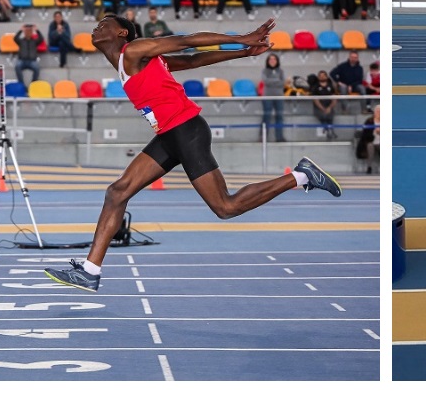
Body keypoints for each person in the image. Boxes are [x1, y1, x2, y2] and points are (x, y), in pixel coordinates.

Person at [43, 15, 342, 292]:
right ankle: (90, 271)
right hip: (170, 135)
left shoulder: (133, 50)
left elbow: (186, 42)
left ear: (122, 33)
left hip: (186, 130)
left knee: (225, 207)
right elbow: (193, 60)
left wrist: (241, 39)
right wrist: (243, 53)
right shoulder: (137, 61)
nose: (96, 27)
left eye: (104, 24)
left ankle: (302, 176)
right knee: (117, 192)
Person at [261, 53, 286, 142]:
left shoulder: (281, 71)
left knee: (279, 116)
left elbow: (283, 82)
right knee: (266, 116)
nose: (272, 61)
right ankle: (263, 138)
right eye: (270, 59)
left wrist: (272, 81)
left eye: (274, 59)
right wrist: (277, 81)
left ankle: (279, 137)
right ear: (267, 61)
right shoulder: (264, 71)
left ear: (277, 61)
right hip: (267, 97)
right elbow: (266, 81)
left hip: (279, 97)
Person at [311, 70, 338, 140]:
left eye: (324, 75)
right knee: (322, 115)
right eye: (320, 76)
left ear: (326, 76)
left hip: (329, 106)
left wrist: (329, 107)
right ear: (318, 77)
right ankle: (329, 130)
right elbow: (315, 100)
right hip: (319, 107)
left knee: (330, 115)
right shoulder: (315, 86)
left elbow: (334, 98)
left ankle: (329, 131)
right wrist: (323, 109)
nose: (322, 77)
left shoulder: (331, 86)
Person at [356, 104, 379, 174]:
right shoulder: (369, 121)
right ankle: (369, 167)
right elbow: (365, 134)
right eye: (377, 111)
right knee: (370, 146)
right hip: (372, 141)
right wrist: (374, 132)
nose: (379, 113)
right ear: (374, 112)